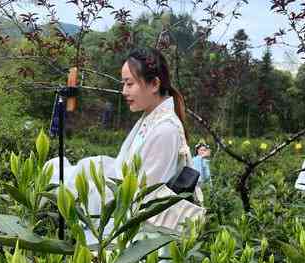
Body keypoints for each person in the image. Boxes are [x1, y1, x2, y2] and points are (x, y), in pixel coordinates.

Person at [45, 47, 204, 239]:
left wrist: (83, 188)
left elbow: (143, 199)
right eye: (123, 84)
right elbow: (125, 171)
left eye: (129, 84)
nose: (124, 91)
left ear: (154, 84)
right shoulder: (150, 119)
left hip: (142, 242)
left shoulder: (165, 130)